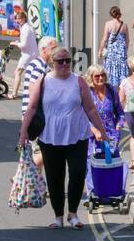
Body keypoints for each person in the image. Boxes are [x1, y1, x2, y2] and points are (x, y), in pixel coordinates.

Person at [17, 47, 107, 230]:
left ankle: (72, 214)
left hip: (77, 135)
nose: (65, 64)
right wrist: (23, 132)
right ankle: (58, 216)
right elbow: (32, 108)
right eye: (60, 61)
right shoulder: (42, 82)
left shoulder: (79, 81)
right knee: (55, 178)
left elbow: (90, 109)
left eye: (68, 60)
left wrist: (102, 131)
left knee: (77, 172)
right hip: (50, 137)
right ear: (52, 63)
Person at [86, 64, 125, 169]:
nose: (100, 78)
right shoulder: (87, 92)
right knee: (92, 167)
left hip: (110, 137)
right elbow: (82, 116)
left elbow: (120, 112)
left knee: (111, 166)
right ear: (91, 78)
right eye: (97, 76)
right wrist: (94, 130)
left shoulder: (111, 90)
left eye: (102, 75)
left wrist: (119, 125)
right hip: (92, 137)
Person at [21, 36, 58, 119]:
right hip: (34, 114)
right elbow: (33, 91)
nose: (56, 52)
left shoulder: (39, 63)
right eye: (53, 48)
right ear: (44, 49)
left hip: (32, 113)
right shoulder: (39, 66)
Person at [9, 7, 38, 100]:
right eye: (16, 18)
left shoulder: (25, 28)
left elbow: (24, 44)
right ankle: (36, 92)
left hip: (27, 54)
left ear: (24, 18)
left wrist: (15, 43)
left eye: (19, 18)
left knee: (17, 72)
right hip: (33, 53)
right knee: (33, 74)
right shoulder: (28, 27)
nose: (17, 20)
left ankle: (14, 94)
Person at [99, 6, 129, 89]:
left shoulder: (108, 24)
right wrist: (124, 51)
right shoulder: (124, 25)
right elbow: (127, 40)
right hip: (121, 53)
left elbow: (105, 39)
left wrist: (100, 51)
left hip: (111, 52)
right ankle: (120, 96)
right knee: (122, 77)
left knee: (110, 72)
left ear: (111, 14)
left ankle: (112, 94)